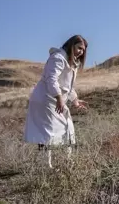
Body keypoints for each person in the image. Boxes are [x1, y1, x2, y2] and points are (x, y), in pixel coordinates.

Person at [23, 35, 89, 168]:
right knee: (47, 133)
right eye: (79, 48)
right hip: (45, 99)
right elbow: (51, 79)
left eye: (83, 50)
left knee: (68, 127)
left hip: (55, 99)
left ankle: (68, 162)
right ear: (71, 45)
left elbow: (67, 86)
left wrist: (75, 101)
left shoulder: (72, 62)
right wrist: (59, 97)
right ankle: (45, 166)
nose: (81, 52)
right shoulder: (57, 58)